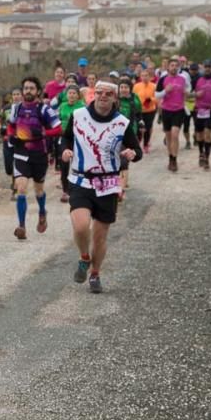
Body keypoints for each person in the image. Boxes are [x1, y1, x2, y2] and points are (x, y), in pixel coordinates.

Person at [61, 79, 143, 293]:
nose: (103, 96)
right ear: (93, 95)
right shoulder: (78, 116)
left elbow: (137, 151)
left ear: (115, 98)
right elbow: (66, 139)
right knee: (80, 226)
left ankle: (95, 274)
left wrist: (131, 154)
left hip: (107, 182)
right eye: (99, 93)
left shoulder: (122, 123)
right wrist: (65, 151)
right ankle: (84, 257)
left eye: (108, 93)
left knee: (99, 234)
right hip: (81, 179)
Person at [8, 76, 61, 239]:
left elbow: (58, 128)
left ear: (38, 91)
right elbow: (11, 126)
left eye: (31, 88)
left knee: (38, 190)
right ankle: (22, 226)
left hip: (39, 154)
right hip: (21, 152)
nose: (28, 91)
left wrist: (44, 133)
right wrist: (11, 136)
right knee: (21, 188)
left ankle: (42, 211)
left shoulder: (44, 109)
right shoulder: (16, 108)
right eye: (25, 88)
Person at [154, 58, 191, 172]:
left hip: (179, 110)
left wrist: (187, 92)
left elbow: (188, 88)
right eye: (172, 65)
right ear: (168, 67)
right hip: (166, 110)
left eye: (176, 65)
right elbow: (157, 95)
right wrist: (166, 91)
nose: (174, 67)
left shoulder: (183, 78)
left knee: (175, 134)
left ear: (178, 67)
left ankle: (174, 159)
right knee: (169, 136)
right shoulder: (163, 79)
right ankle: (170, 158)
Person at [55, 84, 85, 203]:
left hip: (78, 138)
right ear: (66, 95)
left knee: (78, 164)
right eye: (69, 93)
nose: (71, 95)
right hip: (63, 137)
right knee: (64, 163)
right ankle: (65, 191)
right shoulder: (62, 106)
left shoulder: (82, 107)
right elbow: (57, 119)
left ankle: (80, 189)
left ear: (78, 96)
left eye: (74, 93)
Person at [116, 77, 143, 196]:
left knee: (125, 159)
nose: (123, 90)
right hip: (117, 133)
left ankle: (121, 188)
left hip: (131, 132)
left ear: (130, 89)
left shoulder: (134, 99)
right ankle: (120, 186)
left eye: (126, 87)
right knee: (121, 160)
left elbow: (139, 113)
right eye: (121, 87)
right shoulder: (115, 100)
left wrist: (141, 123)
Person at [0, 88, 22, 199]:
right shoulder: (6, 108)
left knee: (18, 165)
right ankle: (14, 180)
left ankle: (15, 189)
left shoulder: (25, 108)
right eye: (14, 94)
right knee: (9, 167)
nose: (16, 96)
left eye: (18, 94)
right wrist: (1, 127)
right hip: (7, 140)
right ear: (11, 96)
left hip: (20, 141)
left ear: (22, 95)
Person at [133, 67, 157, 154]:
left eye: (146, 75)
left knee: (147, 128)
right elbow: (133, 97)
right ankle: (138, 143)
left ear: (150, 77)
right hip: (139, 110)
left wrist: (151, 99)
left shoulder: (154, 86)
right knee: (139, 128)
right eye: (142, 76)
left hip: (150, 110)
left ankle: (146, 144)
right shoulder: (136, 86)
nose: (144, 77)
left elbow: (157, 98)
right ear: (140, 77)